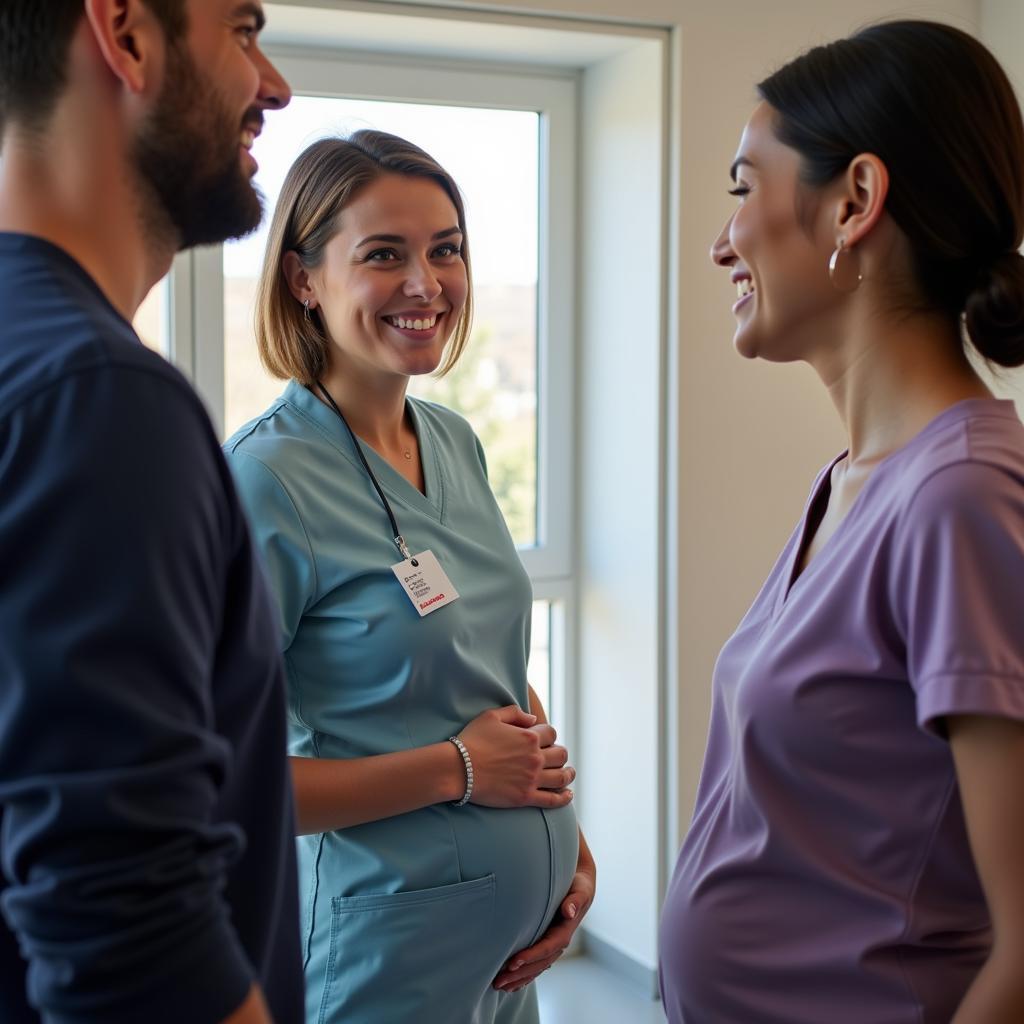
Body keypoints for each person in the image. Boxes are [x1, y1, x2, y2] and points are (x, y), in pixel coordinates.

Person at [659, 20, 1024, 1024]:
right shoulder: (858, 481)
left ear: (855, 200)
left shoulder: (960, 498)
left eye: (744, 189)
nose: (720, 239)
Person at [223, 130, 596, 1024]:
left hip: (508, 958)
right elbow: (233, 781)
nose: (426, 284)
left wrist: (568, 849)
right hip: (387, 954)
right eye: (384, 254)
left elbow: (484, 659)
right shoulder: (265, 480)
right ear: (304, 280)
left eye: (446, 249)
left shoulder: (455, 441)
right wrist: (458, 769)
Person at [0, 3, 301, 1023]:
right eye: (244, 29)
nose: (274, 85)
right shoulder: (100, 398)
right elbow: (129, 937)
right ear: (125, 33)